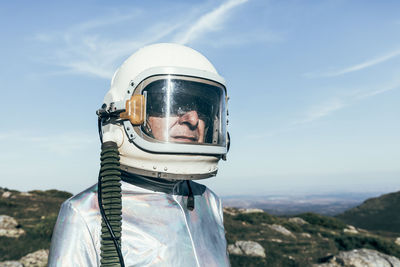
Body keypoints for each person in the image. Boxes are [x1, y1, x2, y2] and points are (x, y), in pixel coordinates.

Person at [48, 43, 230, 266]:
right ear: (124, 113)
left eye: (201, 108)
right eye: (170, 104)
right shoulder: (85, 214)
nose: (192, 119)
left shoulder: (210, 202)